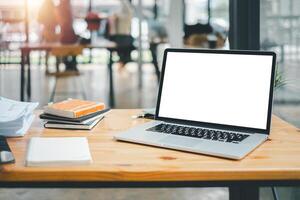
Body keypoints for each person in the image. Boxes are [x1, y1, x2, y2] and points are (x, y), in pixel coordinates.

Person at [107, 0, 134, 70]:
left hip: (123, 37)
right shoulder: (121, 12)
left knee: (124, 46)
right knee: (124, 46)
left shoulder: (126, 11)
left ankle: (122, 63)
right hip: (122, 37)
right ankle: (122, 62)